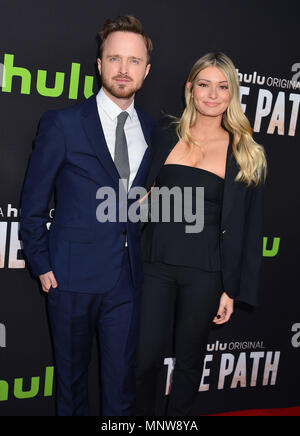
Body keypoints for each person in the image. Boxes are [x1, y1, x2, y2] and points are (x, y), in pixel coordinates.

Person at [20, 15, 155, 416]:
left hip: (126, 283)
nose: (123, 69)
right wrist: (42, 264)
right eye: (114, 58)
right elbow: (32, 203)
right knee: (71, 386)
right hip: (70, 278)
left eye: (134, 61)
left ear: (146, 70)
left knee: (121, 389)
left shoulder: (153, 129)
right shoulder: (62, 123)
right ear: (99, 64)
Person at [136, 52, 267, 416]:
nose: (213, 95)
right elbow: (141, 196)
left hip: (206, 274)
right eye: (204, 85)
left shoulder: (246, 151)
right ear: (190, 89)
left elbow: (250, 228)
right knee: (143, 359)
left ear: (232, 93)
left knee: (189, 364)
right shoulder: (163, 134)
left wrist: (230, 288)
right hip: (154, 263)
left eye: (222, 87)